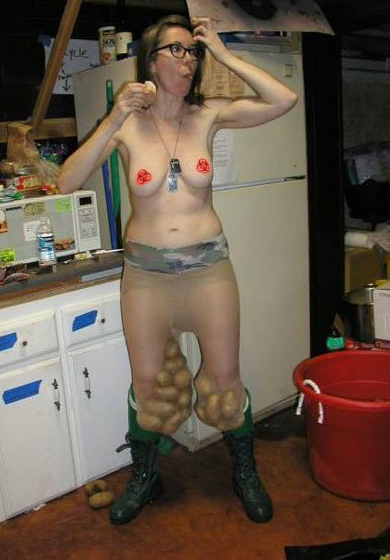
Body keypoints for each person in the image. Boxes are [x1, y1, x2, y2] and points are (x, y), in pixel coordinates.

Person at [58, 14, 298, 525]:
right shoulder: (126, 125)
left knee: (225, 384)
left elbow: (284, 99)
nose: (188, 61)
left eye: (193, 52)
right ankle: (146, 476)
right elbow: (66, 181)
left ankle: (245, 472)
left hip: (209, 272)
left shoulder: (207, 114)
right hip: (146, 279)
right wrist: (113, 118)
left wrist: (225, 53)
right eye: (176, 50)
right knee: (151, 389)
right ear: (150, 61)